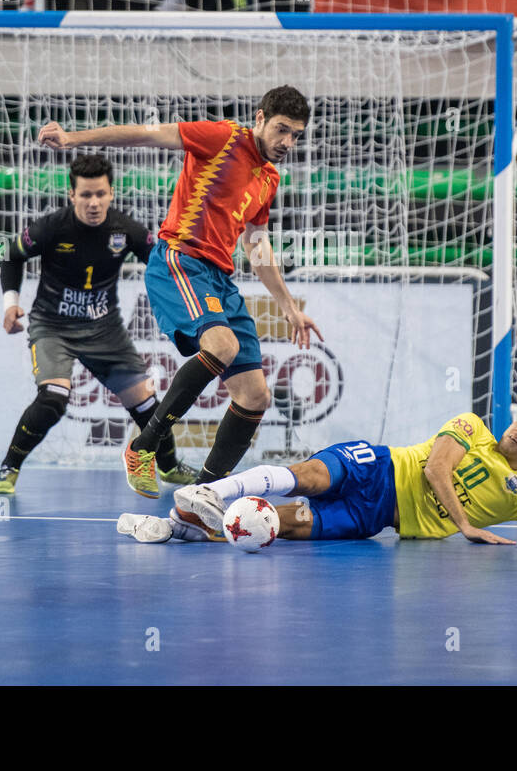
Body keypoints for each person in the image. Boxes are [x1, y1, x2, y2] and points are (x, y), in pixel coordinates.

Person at [37, 86, 321, 497]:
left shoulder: (269, 177)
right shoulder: (222, 138)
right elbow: (144, 135)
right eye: (281, 130)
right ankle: (143, 447)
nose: (287, 142)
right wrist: (73, 138)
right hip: (180, 260)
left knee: (255, 394)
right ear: (260, 118)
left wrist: (290, 308)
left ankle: (202, 496)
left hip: (220, 279)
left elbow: (256, 246)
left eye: (296, 134)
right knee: (220, 344)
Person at [117, 408, 517, 546]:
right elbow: (434, 466)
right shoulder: (473, 424)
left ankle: (180, 529)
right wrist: (467, 527)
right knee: (311, 477)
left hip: (377, 518)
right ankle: (209, 492)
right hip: (379, 466)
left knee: (274, 528)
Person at [0, 154, 192, 495]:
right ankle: (8, 467)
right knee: (53, 398)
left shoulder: (125, 229)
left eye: (100, 194)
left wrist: (178, 310)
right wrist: (10, 304)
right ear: (72, 196)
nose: (94, 203)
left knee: (146, 405)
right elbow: (6, 253)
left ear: (111, 193)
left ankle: (170, 467)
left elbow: (162, 264)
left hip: (105, 330)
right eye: (85, 195)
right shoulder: (52, 226)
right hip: (53, 327)